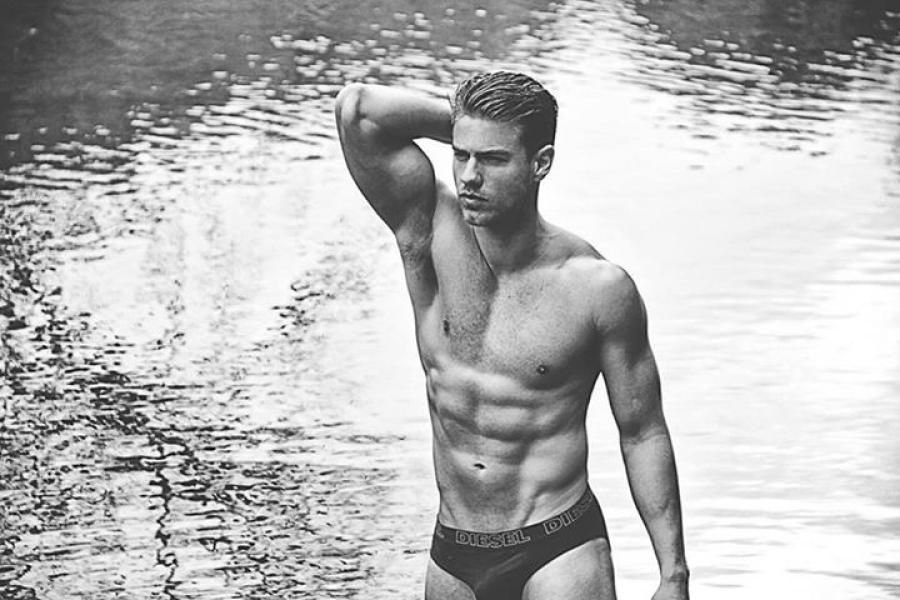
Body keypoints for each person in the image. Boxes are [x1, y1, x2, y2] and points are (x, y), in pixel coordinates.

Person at [334, 71, 689, 600]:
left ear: (540, 163)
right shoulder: (427, 232)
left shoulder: (597, 289)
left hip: (558, 546)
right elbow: (358, 109)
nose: (470, 177)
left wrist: (673, 574)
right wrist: (470, 125)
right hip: (453, 550)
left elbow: (641, 431)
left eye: (494, 159)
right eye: (461, 155)